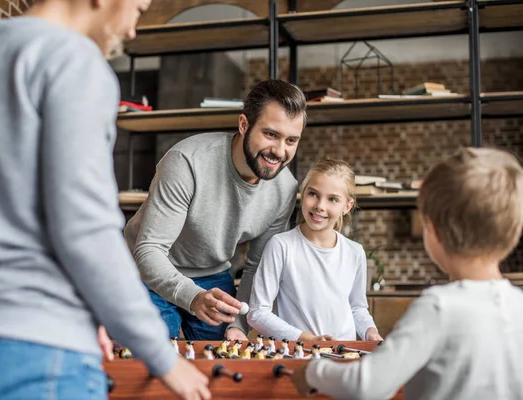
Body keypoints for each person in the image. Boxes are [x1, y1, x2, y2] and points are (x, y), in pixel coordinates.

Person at [0, 0, 211, 399]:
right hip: (33, 352)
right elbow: (85, 227)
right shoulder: (73, 59)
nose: (131, 30)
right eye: (139, 10)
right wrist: (160, 354)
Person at [291, 147, 523, 400]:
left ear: (433, 230)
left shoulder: (437, 308)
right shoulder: (518, 305)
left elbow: (367, 385)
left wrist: (313, 371)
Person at [124, 79, 307, 340]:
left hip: (211, 273)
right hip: (146, 270)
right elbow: (149, 249)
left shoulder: (285, 188)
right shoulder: (187, 162)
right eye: (271, 135)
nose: (280, 151)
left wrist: (238, 325)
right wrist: (194, 297)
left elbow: (257, 267)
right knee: (154, 354)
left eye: (291, 140)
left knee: (224, 359)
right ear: (244, 125)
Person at [247, 157, 383, 342]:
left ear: (347, 206)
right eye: (313, 194)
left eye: (333, 199)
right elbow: (257, 313)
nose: (320, 206)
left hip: (344, 354)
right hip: (298, 354)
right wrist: (306, 339)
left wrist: (370, 332)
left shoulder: (355, 252)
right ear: (303, 193)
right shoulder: (281, 246)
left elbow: (357, 308)